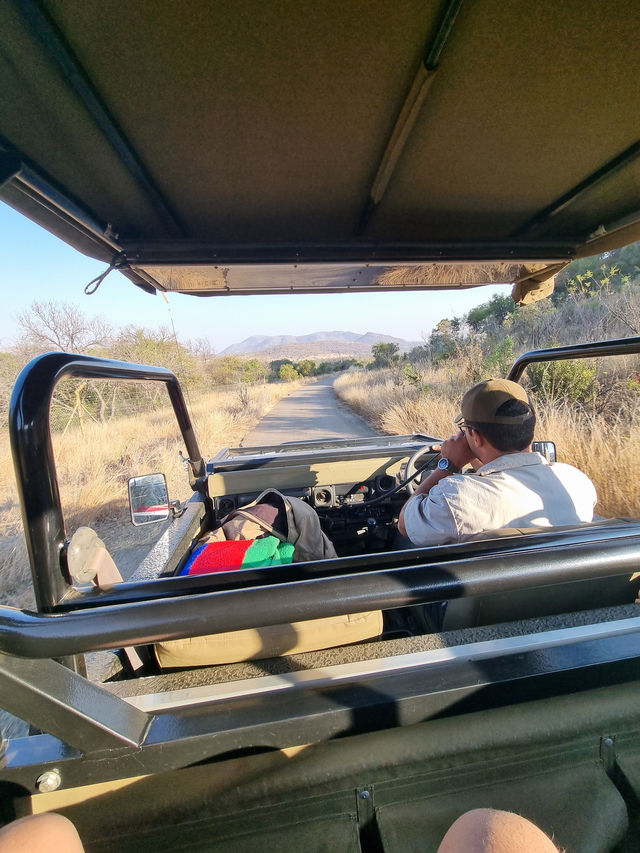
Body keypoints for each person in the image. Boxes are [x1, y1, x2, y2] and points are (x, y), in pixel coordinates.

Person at [398, 378, 597, 546]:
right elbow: (503, 471)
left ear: (475, 436)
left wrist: (448, 465)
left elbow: (405, 524)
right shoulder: (577, 482)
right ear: (530, 428)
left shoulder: (455, 498)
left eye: (464, 428)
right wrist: (477, 453)